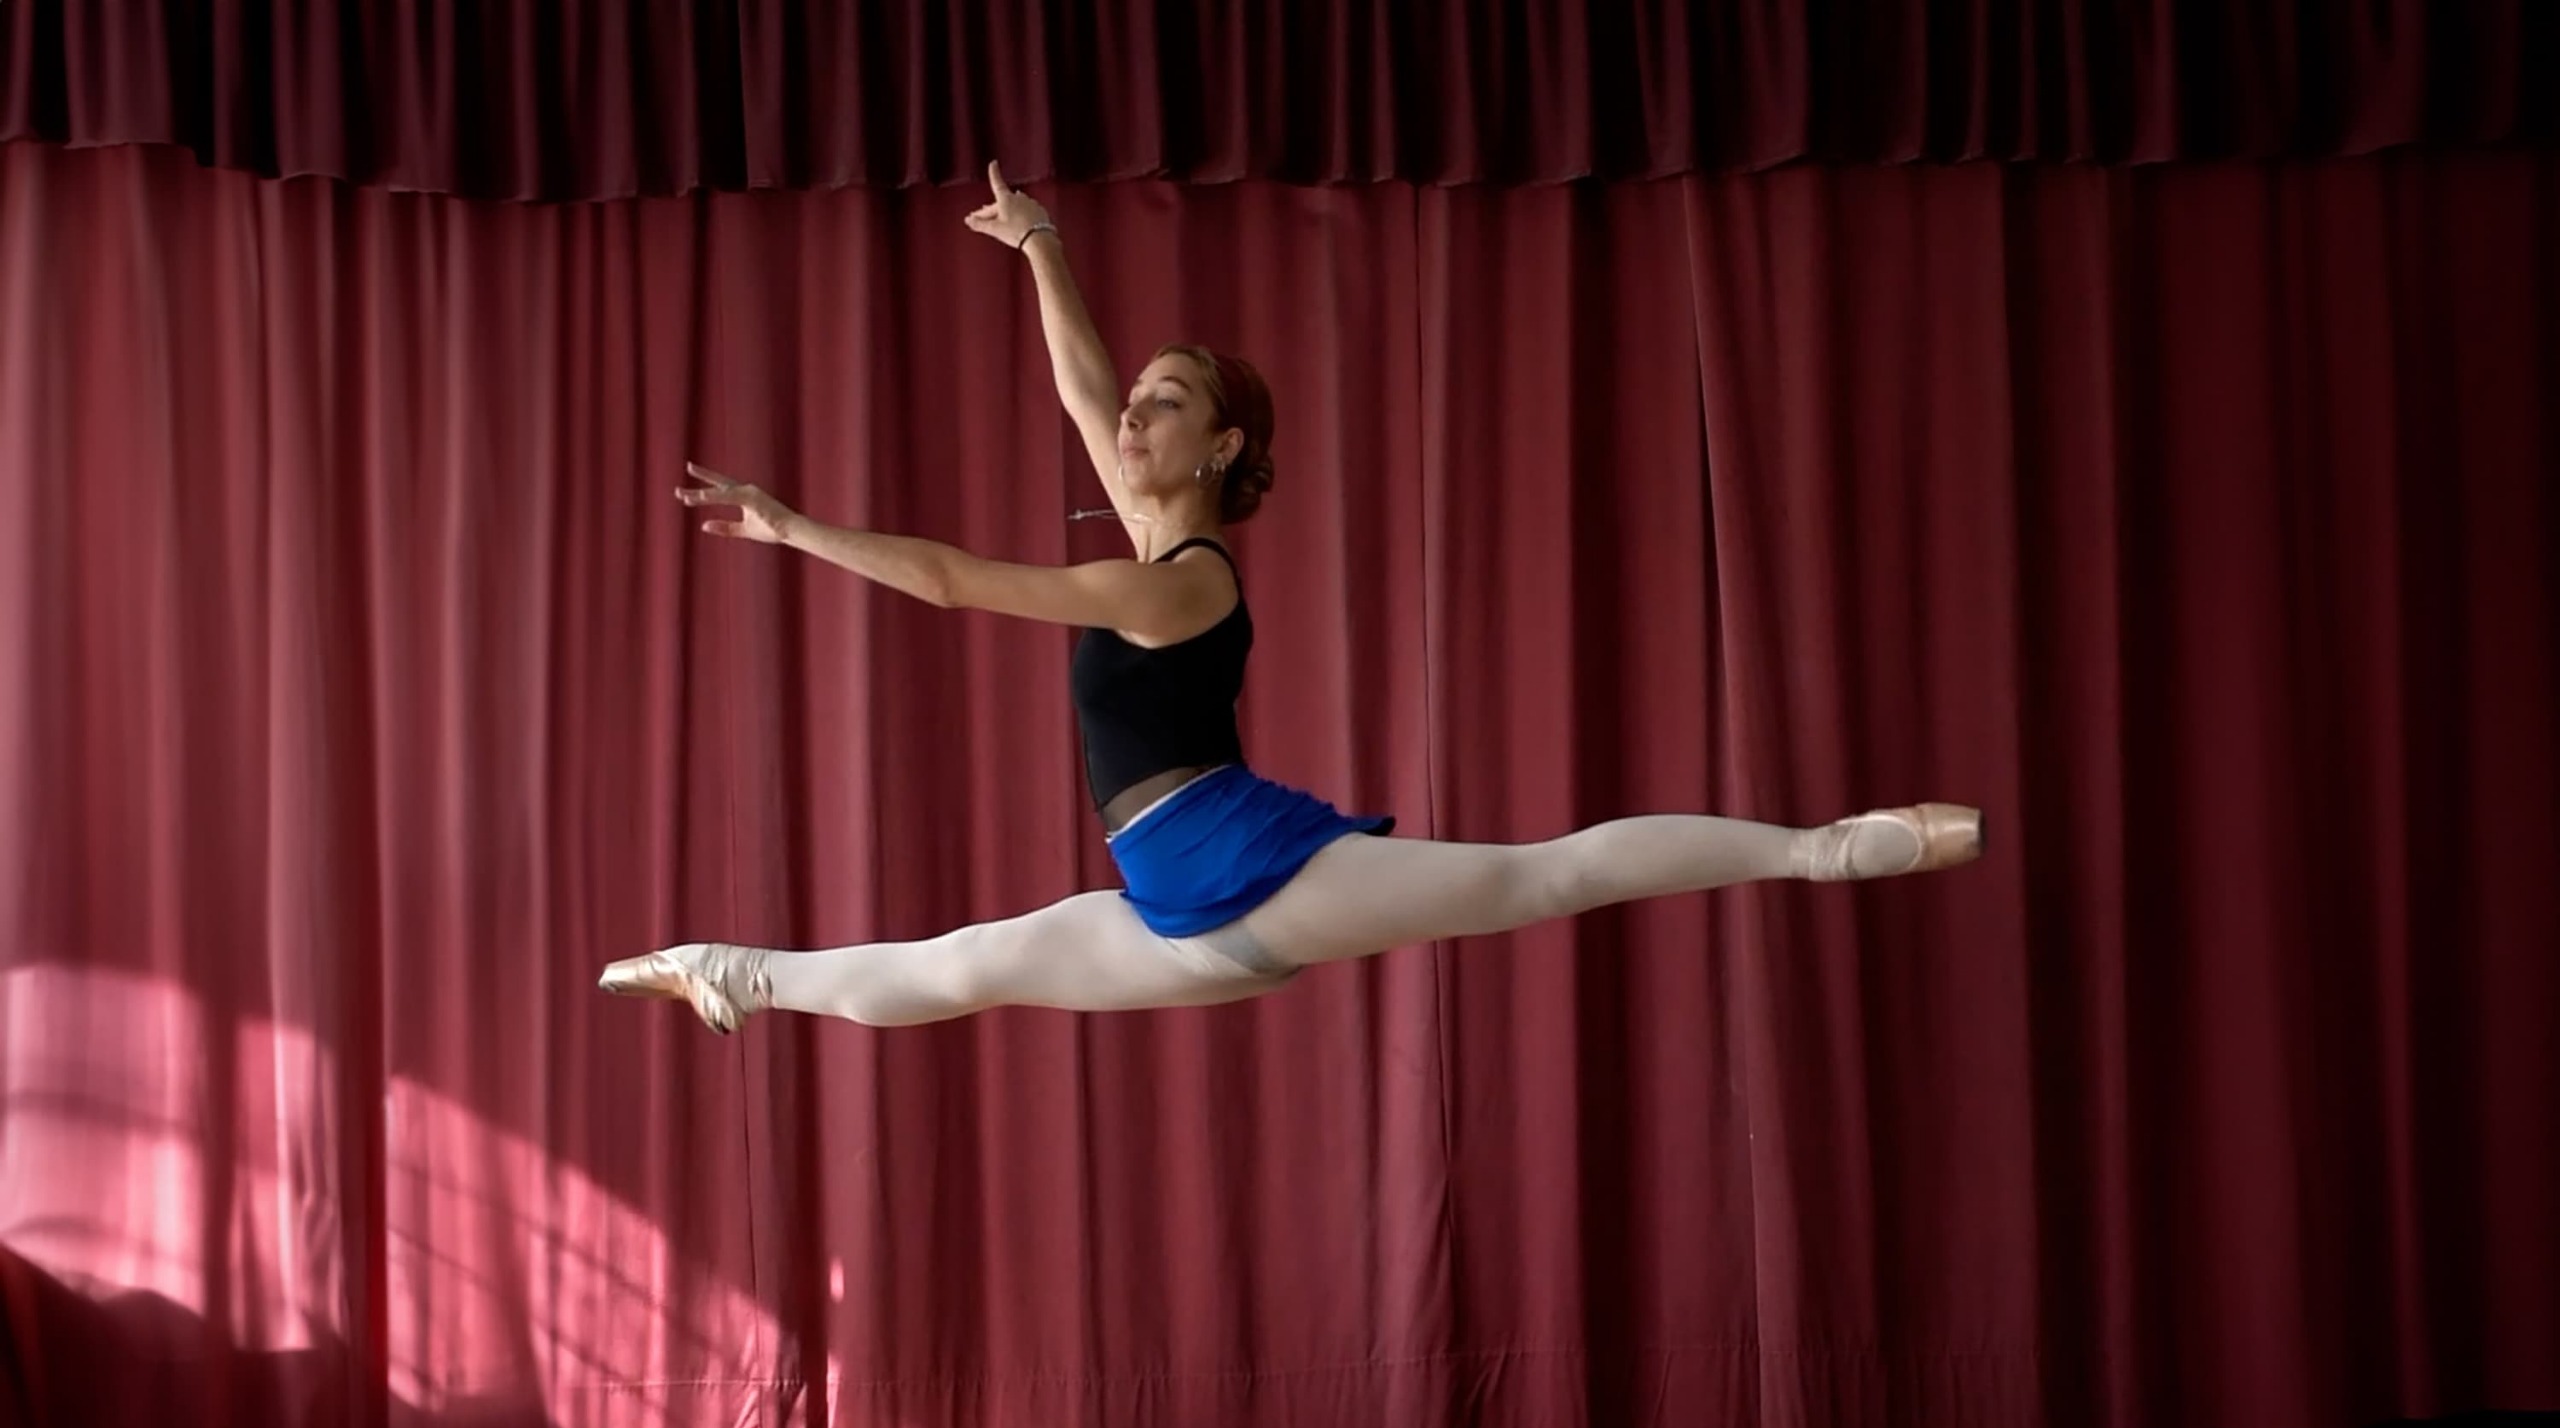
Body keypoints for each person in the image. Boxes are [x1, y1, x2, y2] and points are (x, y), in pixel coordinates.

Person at [598, 164, 1983, 1034]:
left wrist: (796, 529)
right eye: (1140, 397)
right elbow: (1083, 392)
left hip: (1245, 869)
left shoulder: (1180, 586)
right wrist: (1042, 247)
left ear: (1221, 447)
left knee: (1537, 876)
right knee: (961, 968)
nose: (1131, 414)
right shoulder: (1154, 537)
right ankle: (737, 970)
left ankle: (1828, 850)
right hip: (1176, 902)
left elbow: (956, 583)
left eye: (1167, 401)